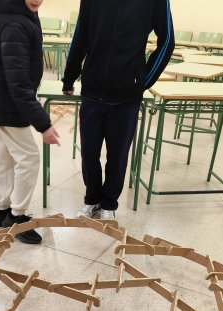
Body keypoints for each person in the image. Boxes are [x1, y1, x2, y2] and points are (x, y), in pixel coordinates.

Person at [63, 0, 175, 220]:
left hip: (126, 97)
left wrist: (144, 80)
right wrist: (69, 76)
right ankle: (92, 199)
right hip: (93, 91)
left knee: (118, 155)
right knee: (89, 153)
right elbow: (81, 36)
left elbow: (168, 40)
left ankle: (109, 204)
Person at [0, 0, 60, 244]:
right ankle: (17, 217)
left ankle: (0, 210)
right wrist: (43, 124)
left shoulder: (5, 10)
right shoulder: (15, 23)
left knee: (5, 155)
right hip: (6, 102)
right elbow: (19, 84)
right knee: (29, 158)